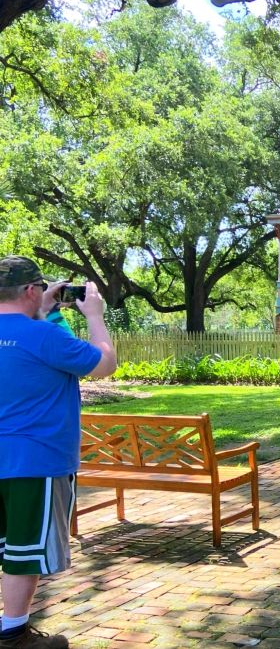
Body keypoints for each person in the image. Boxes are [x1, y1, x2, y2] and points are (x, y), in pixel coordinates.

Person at [0, 256, 117, 649]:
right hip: (35, 462)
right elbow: (104, 364)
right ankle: (14, 634)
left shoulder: (32, 332)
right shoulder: (45, 338)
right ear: (32, 290)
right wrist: (95, 316)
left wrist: (44, 312)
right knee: (24, 551)